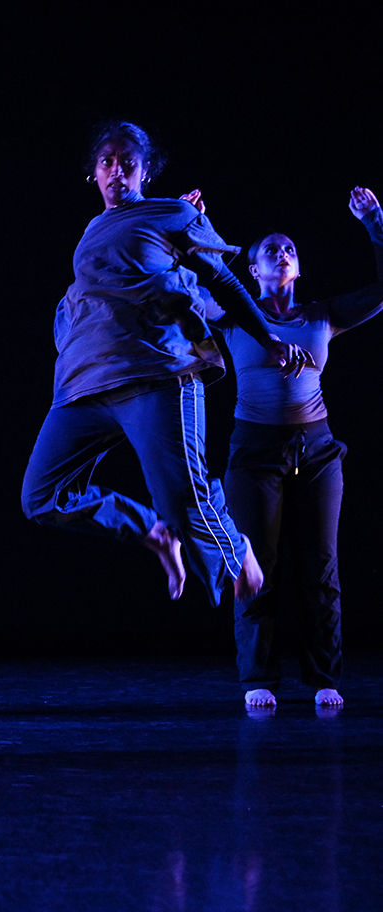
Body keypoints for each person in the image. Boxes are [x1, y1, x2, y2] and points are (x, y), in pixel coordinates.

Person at [21, 122, 311, 609]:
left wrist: (269, 336)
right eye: (107, 161)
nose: (117, 170)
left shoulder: (171, 214)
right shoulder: (93, 229)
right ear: (94, 173)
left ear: (145, 172)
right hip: (85, 384)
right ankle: (153, 534)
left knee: (181, 497)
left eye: (128, 162)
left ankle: (233, 550)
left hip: (155, 376)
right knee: (41, 497)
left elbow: (222, 283)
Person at [220, 188, 383, 708]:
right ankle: (258, 680)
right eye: (271, 249)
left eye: (289, 248)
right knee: (255, 564)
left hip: (316, 453)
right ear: (251, 270)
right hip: (255, 453)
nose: (283, 252)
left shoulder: (322, 316)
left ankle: (324, 677)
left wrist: (376, 223)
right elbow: (178, 291)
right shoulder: (231, 317)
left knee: (321, 567)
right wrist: (192, 230)